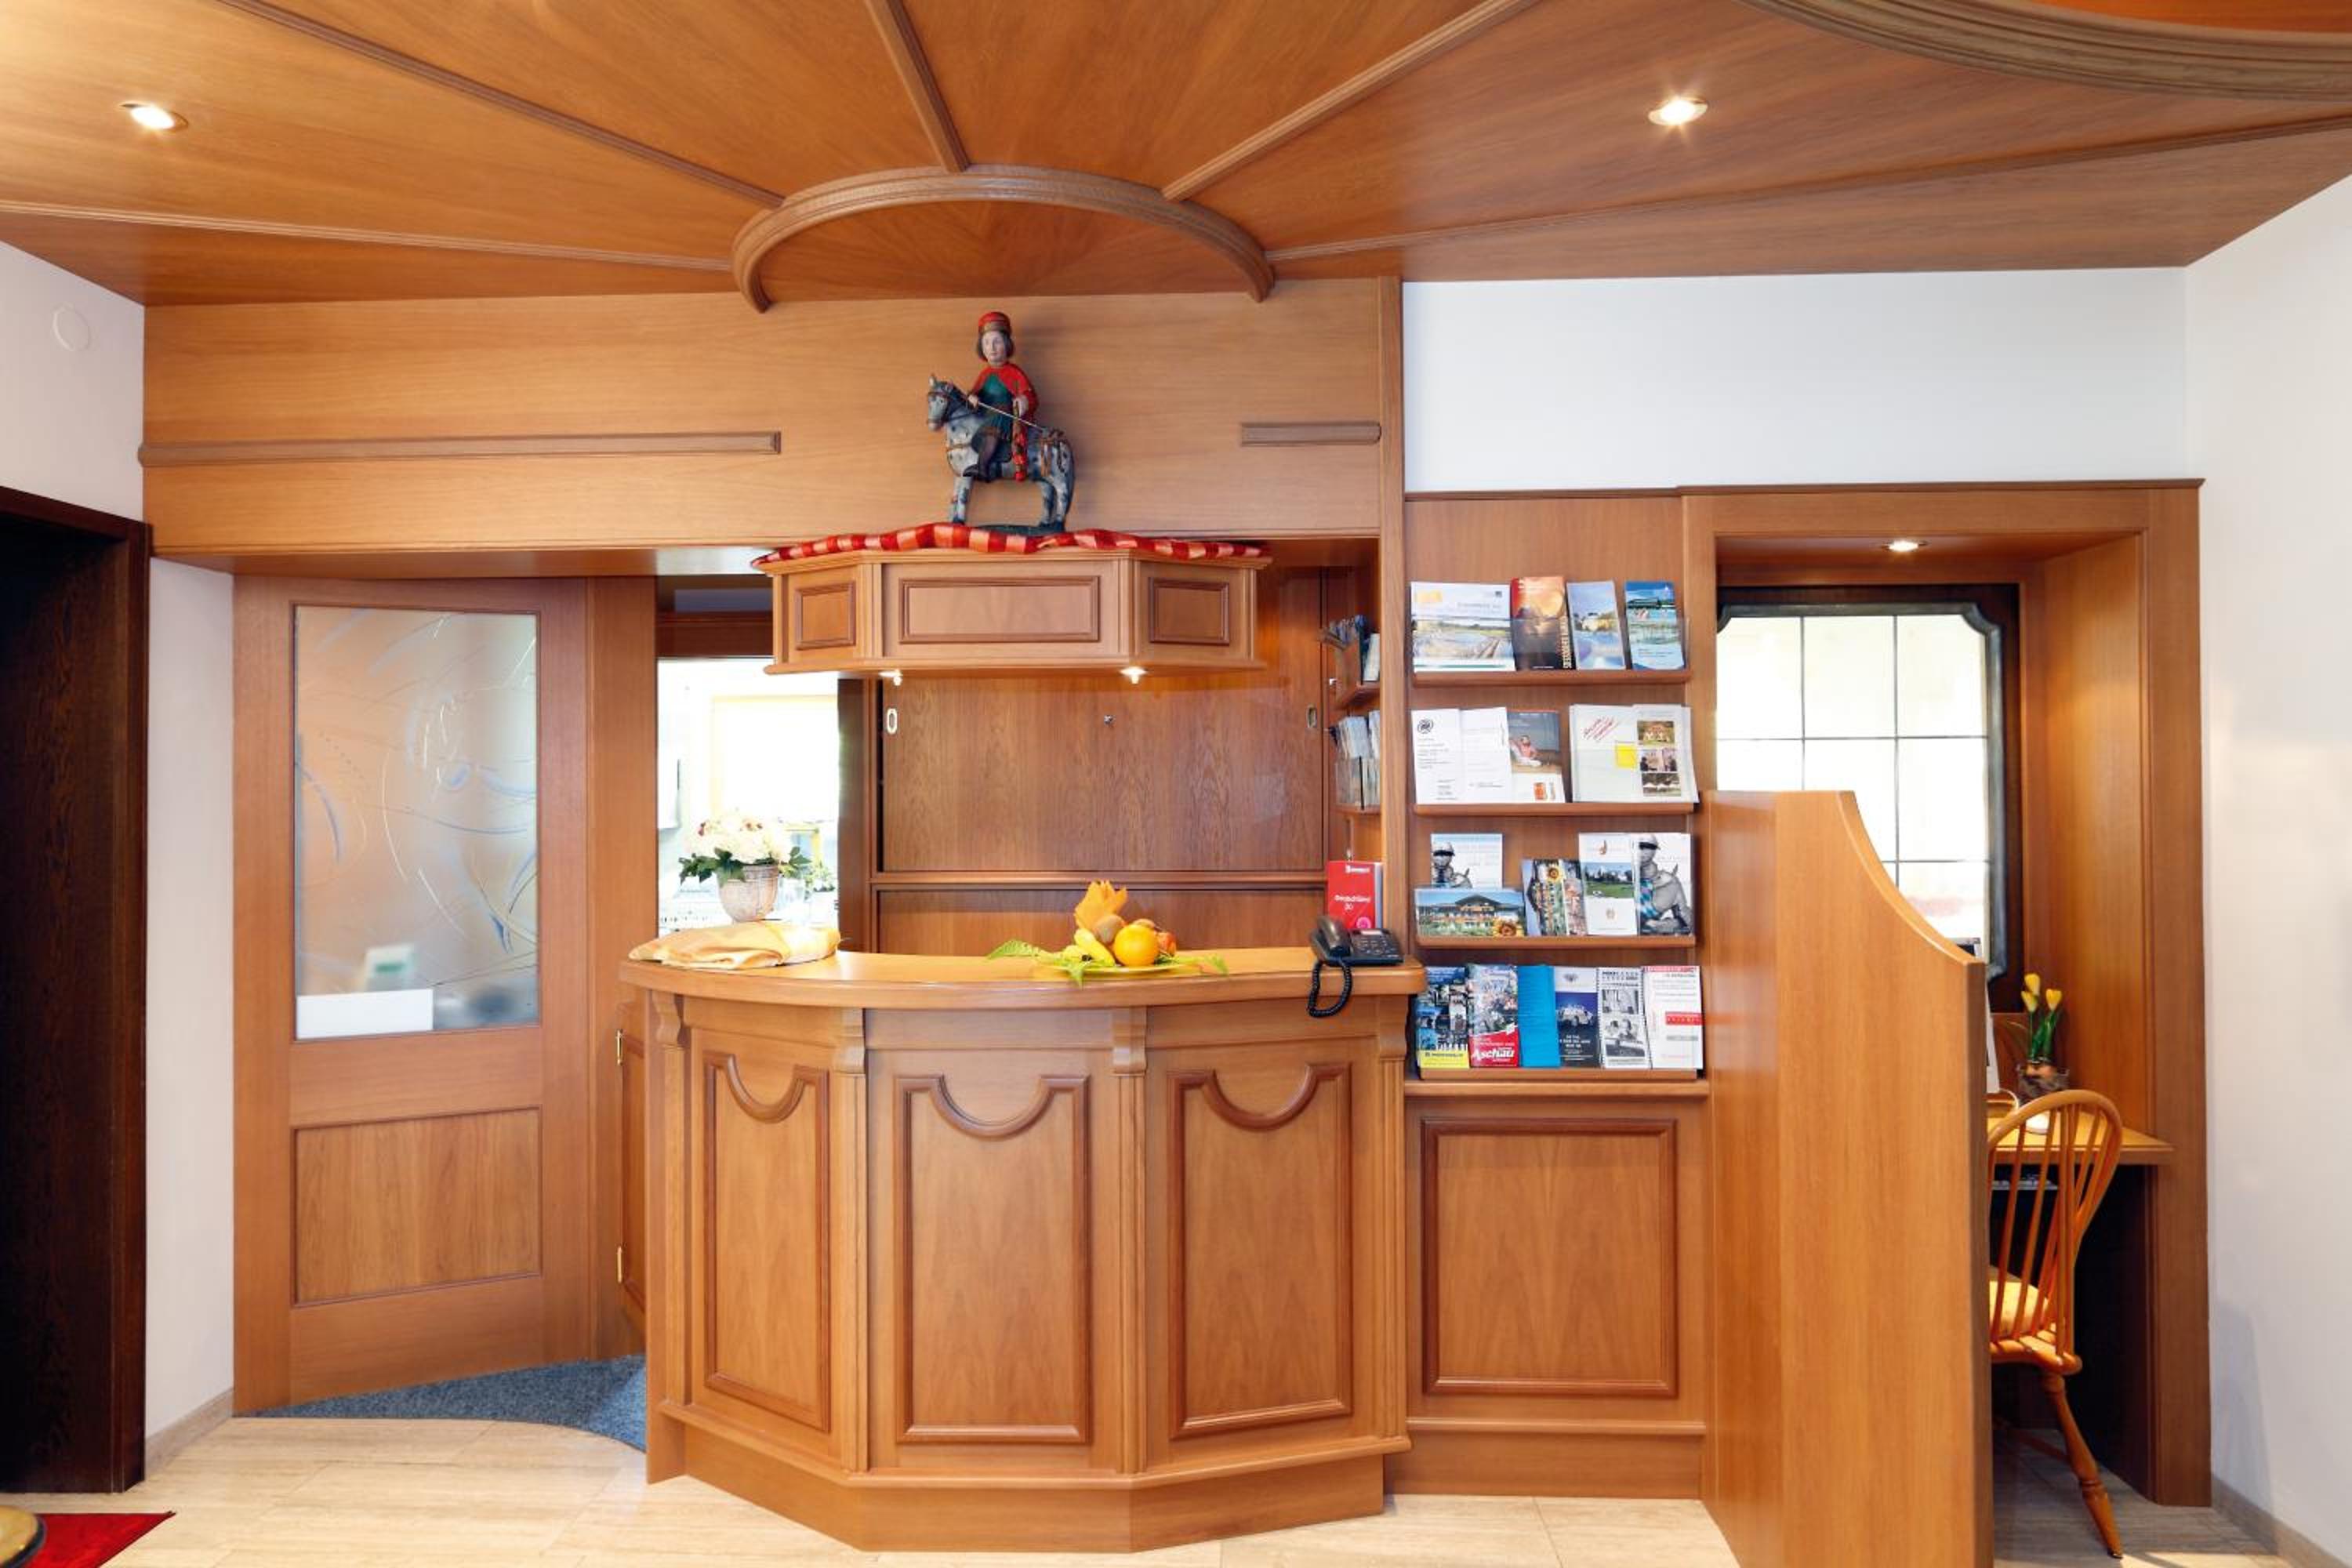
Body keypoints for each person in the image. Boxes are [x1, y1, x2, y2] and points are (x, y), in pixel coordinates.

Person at [967, 310, 1038, 482]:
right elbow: (974, 394)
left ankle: (982, 468)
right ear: (981, 347)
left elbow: (1029, 395)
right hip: (988, 416)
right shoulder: (984, 374)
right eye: (986, 343)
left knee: (995, 426)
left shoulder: (1014, 373)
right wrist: (972, 398)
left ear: (1006, 344)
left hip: (1006, 417)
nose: (991, 348)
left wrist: (1023, 400)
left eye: (997, 341)